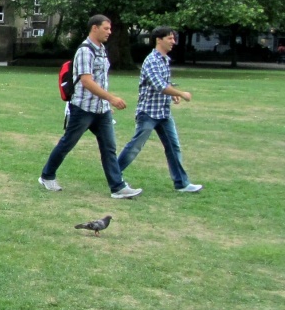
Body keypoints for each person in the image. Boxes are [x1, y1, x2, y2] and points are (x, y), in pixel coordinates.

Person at [39, 15, 142, 199]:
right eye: (106, 28)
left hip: (101, 111)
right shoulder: (85, 51)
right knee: (67, 143)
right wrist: (111, 98)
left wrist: (105, 103)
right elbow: (86, 81)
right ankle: (47, 176)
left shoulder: (102, 49)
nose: (109, 32)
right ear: (94, 28)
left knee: (109, 147)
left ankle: (117, 187)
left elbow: (101, 80)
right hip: (83, 109)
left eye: (110, 29)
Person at [118, 27, 202, 193]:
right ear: (159, 39)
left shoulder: (164, 60)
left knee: (173, 147)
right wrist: (181, 93)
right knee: (136, 145)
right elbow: (160, 85)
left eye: (173, 38)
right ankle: (114, 174)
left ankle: (182, 183)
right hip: (148, 113)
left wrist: (172, 95)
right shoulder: (152, 60)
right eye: (170, 38)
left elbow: (165, 85)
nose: (173, 42)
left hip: (163, 113)